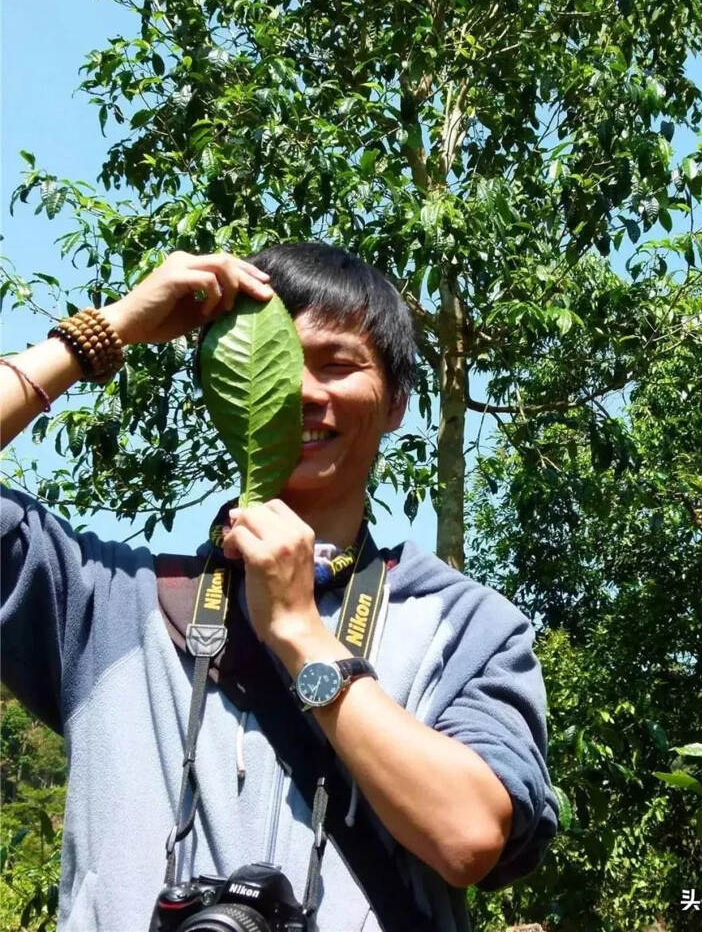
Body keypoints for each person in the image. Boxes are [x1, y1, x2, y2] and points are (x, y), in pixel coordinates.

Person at [1, 243, 558, 932]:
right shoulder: (106, 601)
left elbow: (468, 835)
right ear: (224, 390)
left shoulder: (466, 623)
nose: (301, 390)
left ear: (396, 404)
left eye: (337, 363)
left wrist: (301, 632)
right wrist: (107, 329)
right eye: (273, 362)